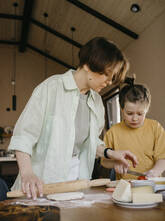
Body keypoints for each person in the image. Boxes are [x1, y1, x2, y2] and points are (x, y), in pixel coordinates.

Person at [8, 37, 138, 199]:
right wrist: (27, 173)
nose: (109, 82)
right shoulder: (51, 88)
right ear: (88, 65)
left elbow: (90, 142)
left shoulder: (96, 101)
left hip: (76, 183)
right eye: (107, 74)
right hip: (40, 183)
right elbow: (24, 136)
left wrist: (112, 153)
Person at [101, 81, 165, 180]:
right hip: (124, 186)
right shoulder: (113, 132)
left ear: (146, 110)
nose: (135, 118)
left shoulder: (155, 128)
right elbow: (104, 161)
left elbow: (163, 158)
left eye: (140, 114)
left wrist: (155, 172)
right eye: (129, 113)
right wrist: (114, 163)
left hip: (151, 185)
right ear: (122, 110)